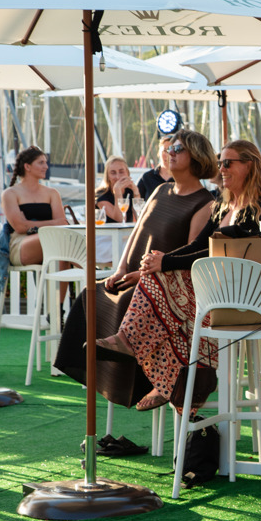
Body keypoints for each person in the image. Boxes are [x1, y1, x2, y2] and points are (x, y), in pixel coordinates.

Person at [96, 139, 261, 412]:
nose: (223, 169)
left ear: (250, 166)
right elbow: (198, 247)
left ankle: (143, 355)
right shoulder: (222, 205)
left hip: (246, 299)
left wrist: (164, 262)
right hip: (216, 293)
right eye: (221, 163)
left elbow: (213, 253)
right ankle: (168, 380)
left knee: (161, 282)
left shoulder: (257, 209)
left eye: (229, 163)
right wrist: (160, 262)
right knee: (160, 285)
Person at [54, 130, 217, 407]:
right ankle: (103, 380)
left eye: (179, 148)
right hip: (135, 276)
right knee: (90, 295)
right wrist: (119, 271)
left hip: (163, 285)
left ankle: (140, 382)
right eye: (171, 147)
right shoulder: (159, 190)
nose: (171, 151)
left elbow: (187, 257)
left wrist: (141, 276)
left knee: (127, 302)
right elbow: (135, 234)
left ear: (196, 157)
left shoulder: (205, 202)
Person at [1, 146, 67, 266]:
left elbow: (62, 223)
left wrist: (29, 224)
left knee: (66, 242)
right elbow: (20, 227)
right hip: (21, 243)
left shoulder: (52, 193)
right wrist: (52, 223)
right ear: (27, 167)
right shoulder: (10, 193)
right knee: (61, 240)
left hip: (52, 240)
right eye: (41, 163)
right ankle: (93, 276)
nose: (46, 167)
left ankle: (89, 278)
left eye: (46, 163)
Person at [96, 156, 141, 223]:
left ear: (127, 173)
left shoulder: (130, 191)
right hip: (107, 232)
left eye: (121, 172)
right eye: (113, 173)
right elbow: (120, 219)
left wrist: (136, 193)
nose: (118, 177)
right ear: (108, 176)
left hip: (126, 232)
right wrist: (117, 191)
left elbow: (140, 218)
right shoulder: (101, 195)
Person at [137, 134, 175, 200]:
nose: (169, 155)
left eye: (172, 151)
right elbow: (136, 202)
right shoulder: (147, 177)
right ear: (159, 152)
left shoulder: (182, 178)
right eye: (165, 151)